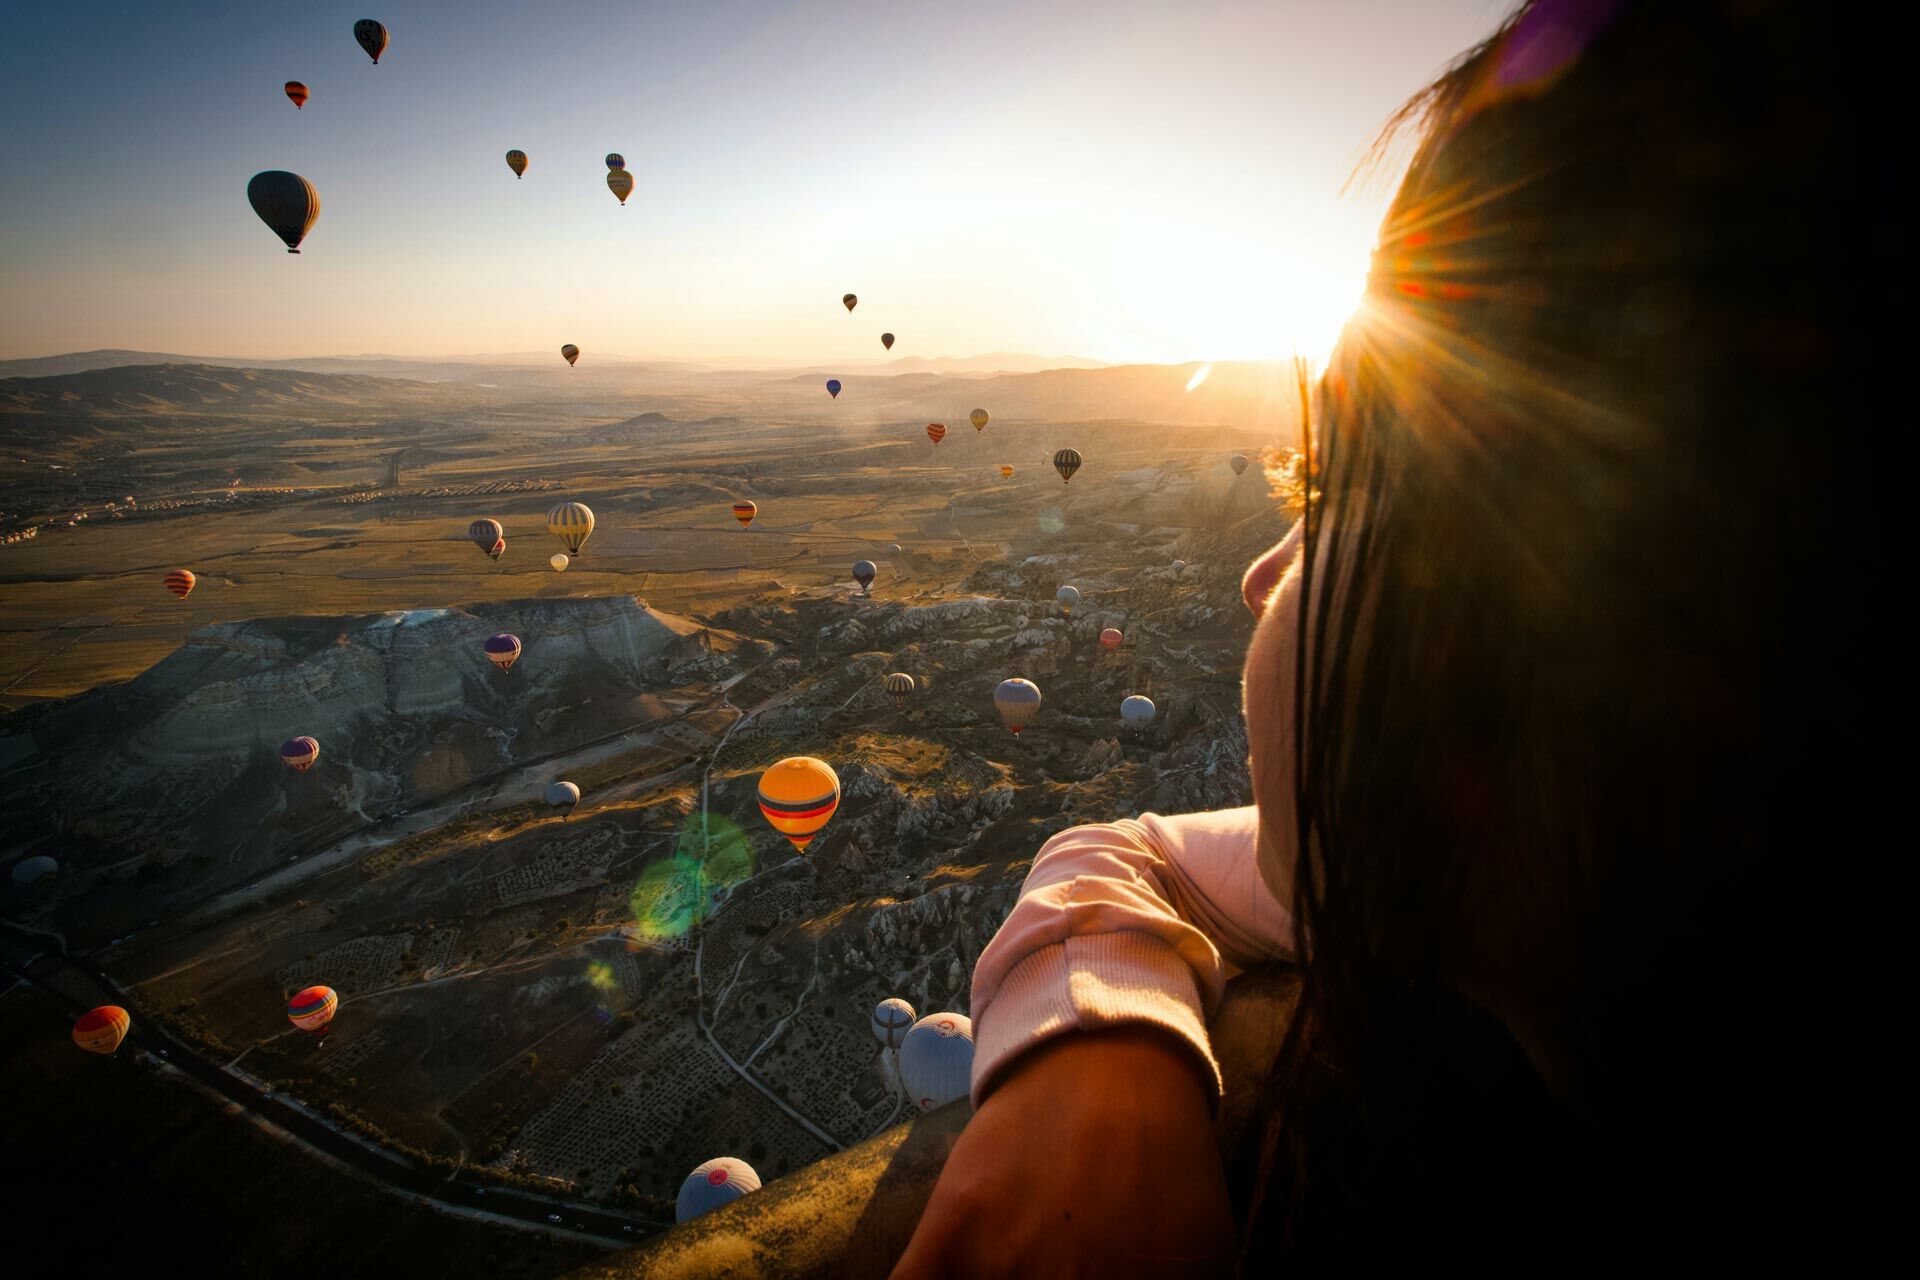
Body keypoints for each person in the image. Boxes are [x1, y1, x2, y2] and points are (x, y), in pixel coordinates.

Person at [895, 0, 1885, 1274]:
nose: (1261, 570)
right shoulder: (1565, 888)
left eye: (1344, 482)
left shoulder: (1534, 860)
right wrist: (1097, 1058)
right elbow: (1129, 853)